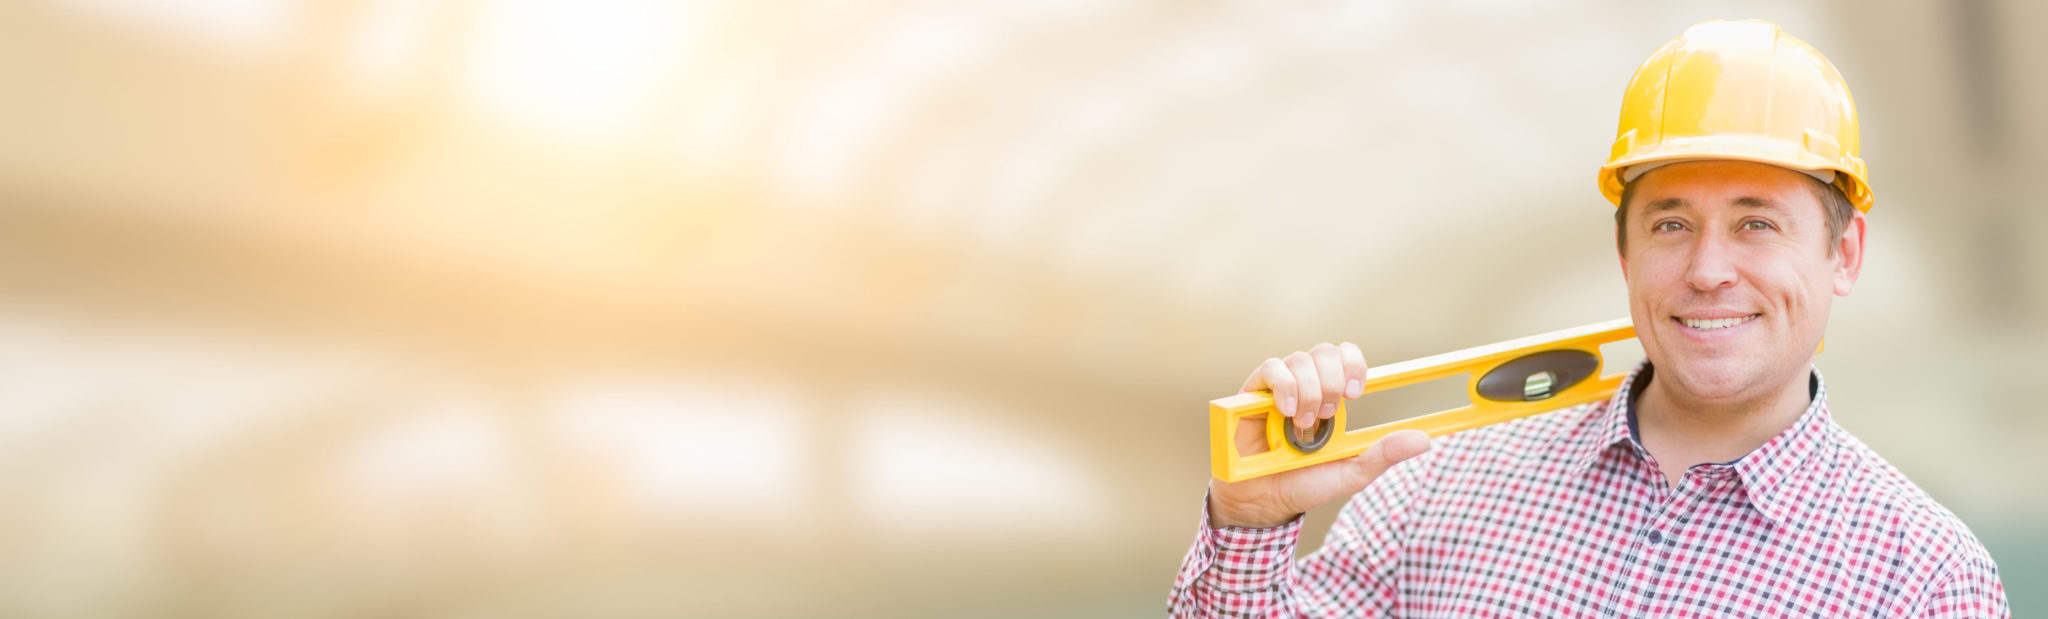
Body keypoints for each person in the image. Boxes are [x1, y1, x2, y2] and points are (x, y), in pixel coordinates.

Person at [1168, 20, 2007, 617]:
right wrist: (1250, 527)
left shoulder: (1926, 583)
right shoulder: (1435, 493)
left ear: (1845, 253)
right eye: (1671, 224)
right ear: (1625, 254)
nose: (1709, 270)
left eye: (1757, 222)